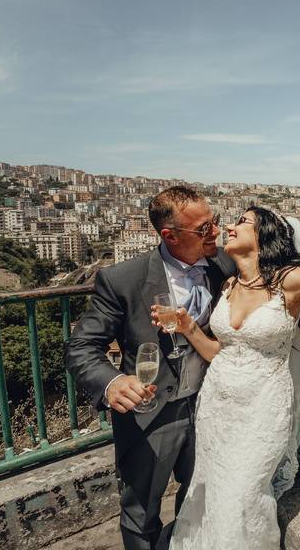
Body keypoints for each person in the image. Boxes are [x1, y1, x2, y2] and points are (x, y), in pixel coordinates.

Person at [167, 206, 300, 550]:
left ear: (264, 236)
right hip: (218, 405)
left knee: (243, 494)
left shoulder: (291, 279)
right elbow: (219, 352)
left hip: (263, 406)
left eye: (242, 222)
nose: (230, 227)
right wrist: (188, 327)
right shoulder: (229, 284)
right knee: (213, 487)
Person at [64, 186, 236, 550]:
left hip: (211, 406)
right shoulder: (123, 279)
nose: (215, 234)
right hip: (150, 411)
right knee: (141, 512)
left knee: (201, 500)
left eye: (215, 223)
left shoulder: (225, 265)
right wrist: (112, 384)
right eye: (203, 229)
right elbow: (82, 346)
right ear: (169, 236)